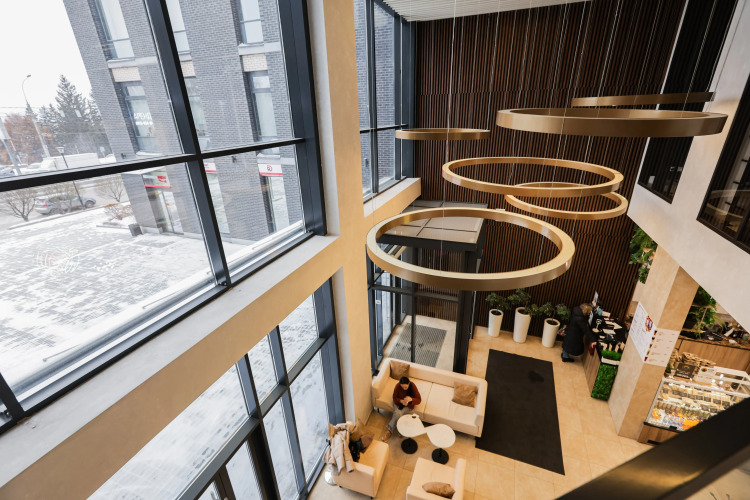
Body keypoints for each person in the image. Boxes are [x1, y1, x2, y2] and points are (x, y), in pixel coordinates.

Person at [382, 376, 421, 442]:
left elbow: (419, 400)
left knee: (397, 414)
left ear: (409, 383)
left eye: (405, 387)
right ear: (400, 384)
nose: (404, 389)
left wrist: (411, 399)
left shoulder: (413, 386)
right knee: (397, 414)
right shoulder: (397, 386)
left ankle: (391, 430)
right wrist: (401, 401)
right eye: (402, 387)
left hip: (408, 406)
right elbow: (394, 398)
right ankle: (395, 431)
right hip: (399, 404)